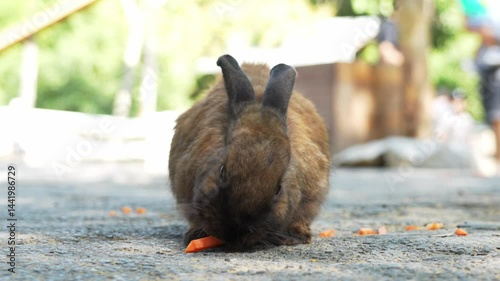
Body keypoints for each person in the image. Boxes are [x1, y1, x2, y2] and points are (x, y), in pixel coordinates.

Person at [460, 0, 500, 175]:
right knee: (492, 117)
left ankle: (498, 159)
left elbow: (488, 34)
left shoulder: (491, 15)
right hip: (487, 72)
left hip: (496, 73)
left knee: (497, 116)